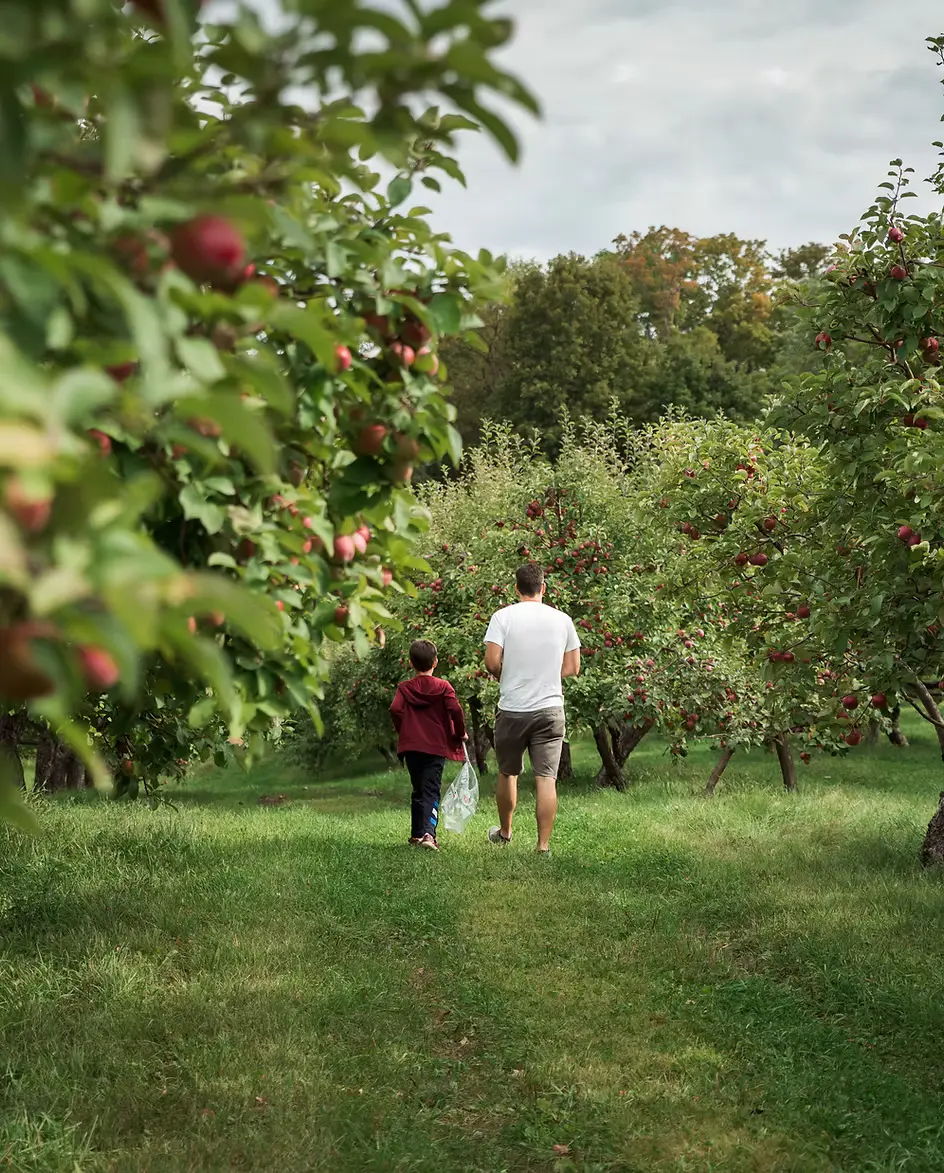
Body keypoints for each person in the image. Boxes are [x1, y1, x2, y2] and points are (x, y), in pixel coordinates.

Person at [483, 563, 581, 856]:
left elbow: (491, 662)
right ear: (543, 588)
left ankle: (505, 832)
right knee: (546, 778)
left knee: (507, 772)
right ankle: (543, 846)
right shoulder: (562, 620)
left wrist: (510, 675)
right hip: (550, 709)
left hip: (513, 708)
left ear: (516, 588)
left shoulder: (502, 617)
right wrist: (544, 675)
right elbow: (573, 667)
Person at [390, 638, 467, 851]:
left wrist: (404, 728)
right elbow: (455, 710)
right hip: (435, 747)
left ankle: (417, 834)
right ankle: (428, 835)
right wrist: (460, 732)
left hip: (411, 747)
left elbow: (395, 709)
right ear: (435, 662)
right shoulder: (443, 687)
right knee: (431, 790)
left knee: (418, 789)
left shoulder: (404, 688)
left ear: (411, 663)